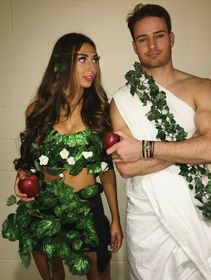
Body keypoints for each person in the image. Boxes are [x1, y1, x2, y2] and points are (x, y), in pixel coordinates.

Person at [107, 3, 211, 280]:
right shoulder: (120, 102)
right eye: (143, 39)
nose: (152, 45)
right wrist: (190, 146)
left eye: (159, 35)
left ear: (171, 38)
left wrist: (143, 148)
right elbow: (126, 168)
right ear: (134, 46)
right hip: (147, 220)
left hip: (192, 213)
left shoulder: (202, 87)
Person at [3, 33, 123, 280]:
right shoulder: (37, 110)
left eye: (95, 59)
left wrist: (114, 219)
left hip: (88, 209)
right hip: (46, 209)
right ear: (61, 64)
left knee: (100, 276)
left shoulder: (100, 111)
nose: (92, 67)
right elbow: (29, 161)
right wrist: (22, 175)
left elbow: (106, 170)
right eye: (82, 59)